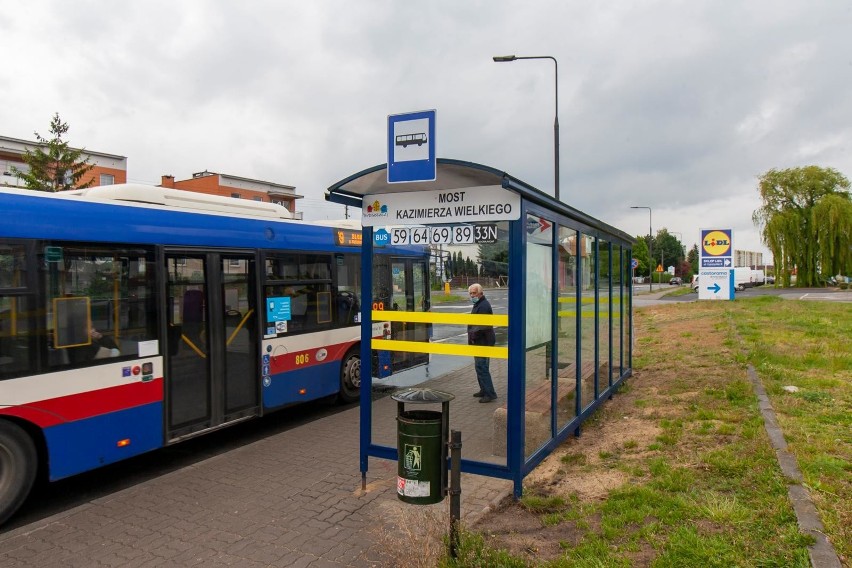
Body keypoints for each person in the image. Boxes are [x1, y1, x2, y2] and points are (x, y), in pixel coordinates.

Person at [468, 283, 497, 403]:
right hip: (479, 341)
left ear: (480, 293)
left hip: (482, 342)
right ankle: (484, 390)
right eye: (470, 293)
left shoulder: (483, 306)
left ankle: (490, 393)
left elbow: (481, 326)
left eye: (474, 293)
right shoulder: (478, 304)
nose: (472, 295)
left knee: (482, 367)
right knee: (479, 367)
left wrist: (473, 337)